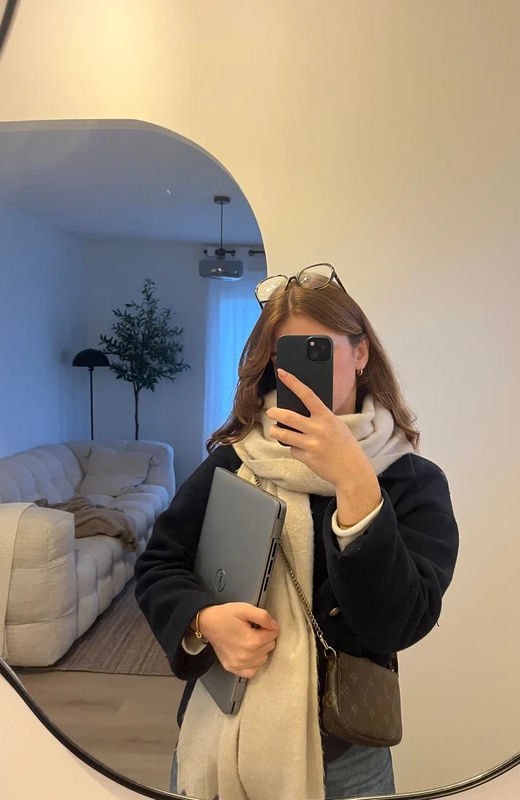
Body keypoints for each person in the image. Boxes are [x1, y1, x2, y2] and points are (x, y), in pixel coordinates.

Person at [135, 264, 459, 800]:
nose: (301, 375)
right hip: (222, 731)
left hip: (345, 755)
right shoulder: (237, 460)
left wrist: (356, 483)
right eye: (288, 357)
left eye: (320, 351)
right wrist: (203, 620)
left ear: (360, 353)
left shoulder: (411, 482)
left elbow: (397, 624)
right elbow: (158, 564)